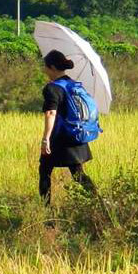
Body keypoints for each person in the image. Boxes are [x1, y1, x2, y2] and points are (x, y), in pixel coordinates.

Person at [39, 50, 97, 203]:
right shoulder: (73, 84)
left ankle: (46, 211)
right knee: (78, 174)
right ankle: (98, 203)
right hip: (77, 135)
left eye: (45, 67)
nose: (44, 70)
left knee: (44, 171)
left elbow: (51, 113)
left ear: (51, 67)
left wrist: (46, 139)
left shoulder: (52, 88)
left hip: (60, 138)